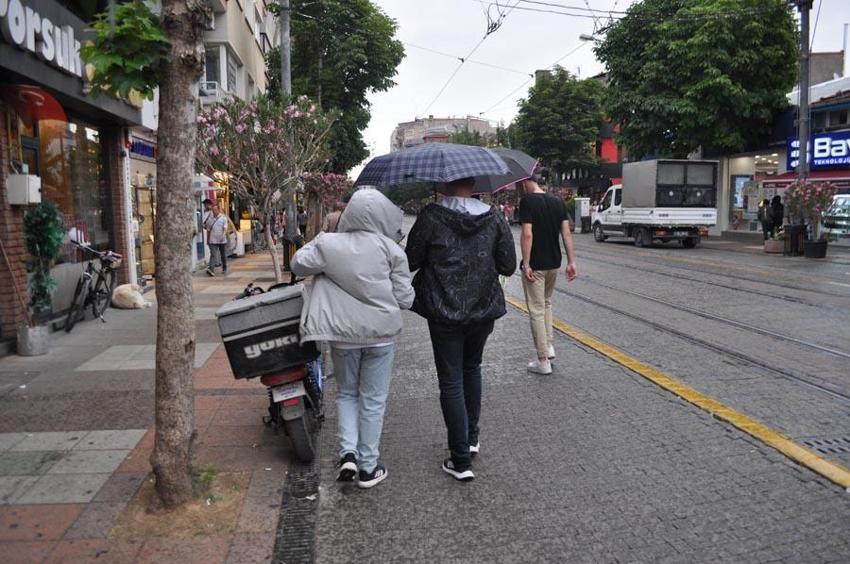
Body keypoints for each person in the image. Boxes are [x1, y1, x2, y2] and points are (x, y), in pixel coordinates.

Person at [291, 189, 414, 489]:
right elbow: (406, 299)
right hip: (381, 336)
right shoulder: (391, 249)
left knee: (346, 394)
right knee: (374, 400)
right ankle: (368, 467)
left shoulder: (328, 244)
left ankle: (348, 453)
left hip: (342, 337)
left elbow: (297, 265)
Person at [406, 177, 516, 482]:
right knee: (472, 368)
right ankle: (470, 439)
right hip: (483, 309)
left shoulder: (431, 215)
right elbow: (508, 265)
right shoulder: (494, 216)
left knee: (451, 379)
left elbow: (411, 260)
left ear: (444, 183)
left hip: (443, 311)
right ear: (475, 182)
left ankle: (460, 458)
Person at [517, 177, 578, 375]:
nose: (519, 189)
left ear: (526, 182)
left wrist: (526, 264)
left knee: (536, 309)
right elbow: (566, 233)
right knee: (546, 302)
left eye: (519, 185)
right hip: (554, 262)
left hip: (536, 265)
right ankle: (549, 345)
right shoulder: (557, 201)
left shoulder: (527, 202)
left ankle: (543, 360)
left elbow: (527, 234)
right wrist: (572, 261)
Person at [206, 205, 228, 276]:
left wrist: (223, 235)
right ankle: (211, 269)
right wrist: (207, 239)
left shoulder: (223, 218)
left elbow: (225, 228)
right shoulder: (210, 219)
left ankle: (224, 268)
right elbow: (208, 230)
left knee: (223, 255)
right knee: (213, 254)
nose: (214, 211)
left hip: (222, 240)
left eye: (215, 210)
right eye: (213, 210)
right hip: (213, 240)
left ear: (218, 210)